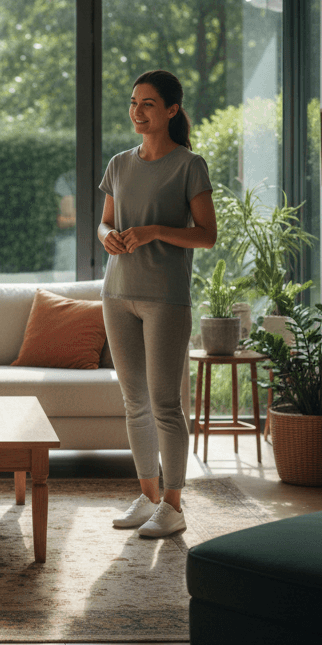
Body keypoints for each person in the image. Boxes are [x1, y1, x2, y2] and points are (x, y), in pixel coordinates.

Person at [97, 71, 216, 537]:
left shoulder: (190, 165)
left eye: (148, 103)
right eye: (133, 102)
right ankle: (146, 498)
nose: (137, 111)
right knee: (134, 402)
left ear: (171, 110)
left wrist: (154, 231)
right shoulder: (119, 164)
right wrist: (108, 238)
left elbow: (207, 235)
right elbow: (104, 223)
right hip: (117, 294)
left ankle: (174, 505)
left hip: (166, 299)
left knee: (166, 404)